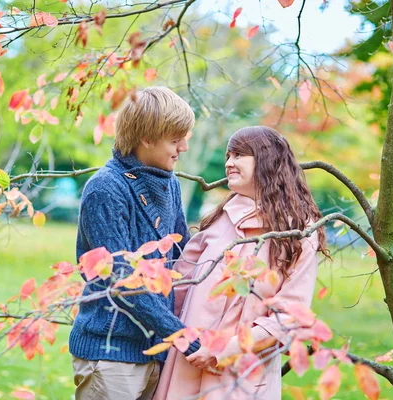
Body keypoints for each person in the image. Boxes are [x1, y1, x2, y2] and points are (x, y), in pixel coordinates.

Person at [154, 126, 328, 400]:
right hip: (186, 365)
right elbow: (179, 286)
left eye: (239, 155)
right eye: (228, 155)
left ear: (267, 161)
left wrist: (225, 349)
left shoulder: (298, 234)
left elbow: (289, 317)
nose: (228, 163)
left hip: (242, 377)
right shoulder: (220, 219)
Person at [69, 86, 201, 400]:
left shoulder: (168, 183)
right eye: (175, 139)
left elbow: (183, 252)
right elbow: (124, 283)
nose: (183, 146)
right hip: (111, 353)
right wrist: (180, 335)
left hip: (155, 351)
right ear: (146, 138)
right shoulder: (105, 189)